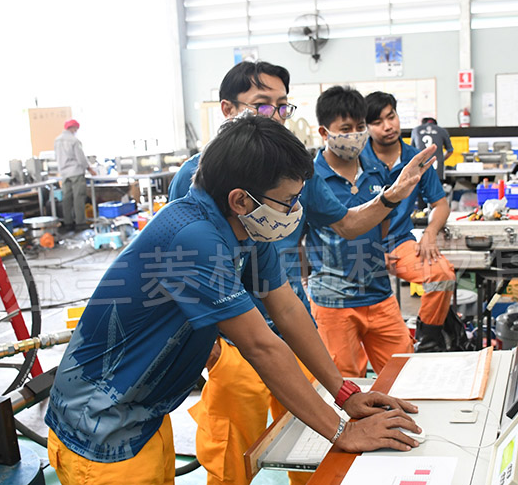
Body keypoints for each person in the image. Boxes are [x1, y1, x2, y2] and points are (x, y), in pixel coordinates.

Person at [45, 115, 422, 485]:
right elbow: (261, 346)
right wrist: (343, 432)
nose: (295, 211)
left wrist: (344, 393)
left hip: (143, 415)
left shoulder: (249, 229)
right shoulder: (194, 238)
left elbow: (287, 308)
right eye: (288, 201)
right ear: (241, 199)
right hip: (99, 424)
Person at [167, 61, 435, 485]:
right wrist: (211, 348)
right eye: (262, 105)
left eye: (283, 106)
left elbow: (337, 234)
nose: (275, 116)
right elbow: (189, 282)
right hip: (235, 340)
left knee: (311, 453)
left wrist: (391, 196)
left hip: (290, 331)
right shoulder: (199, 183)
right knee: (233, 458)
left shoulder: (285, 180)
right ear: (227, 109)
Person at [307, 86, 419, 378]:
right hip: (333, 303)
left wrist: (380, 251)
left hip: (379, 293)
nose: (355, 135)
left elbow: (383, 221)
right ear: (324, 132)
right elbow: (295, 240)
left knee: (403, 376)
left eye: (360, 127)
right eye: (345, 129)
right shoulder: (310, 179)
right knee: (344, 386)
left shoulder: (376, 170)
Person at [365, 92, 456, 352]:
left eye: (391, 117)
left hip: (400, 244)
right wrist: (372, 252)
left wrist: (430, 233)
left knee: (442, 274)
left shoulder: (416, 159)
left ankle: (427, 343)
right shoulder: (357, 160)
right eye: (377, 122)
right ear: (366, 126)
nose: (388, 126)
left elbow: (440, 204)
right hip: (361, 248)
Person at [54, 119, 96, 230]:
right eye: (76, 129)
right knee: (78, 198)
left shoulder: (57, 140)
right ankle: (80, 223)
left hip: (64, 173)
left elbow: (56, 157)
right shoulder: (74, 141)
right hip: (76, 172)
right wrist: (90, 169)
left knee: (66, 198)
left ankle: (68, 223)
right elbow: (81, 158)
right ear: (73, 128)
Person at [410, 117, 453, 182]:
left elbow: (411, 151)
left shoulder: (416, 130)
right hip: (438, 172)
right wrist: (441, 159)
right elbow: (450, 150)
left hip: (420, 172)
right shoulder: (442, 130)